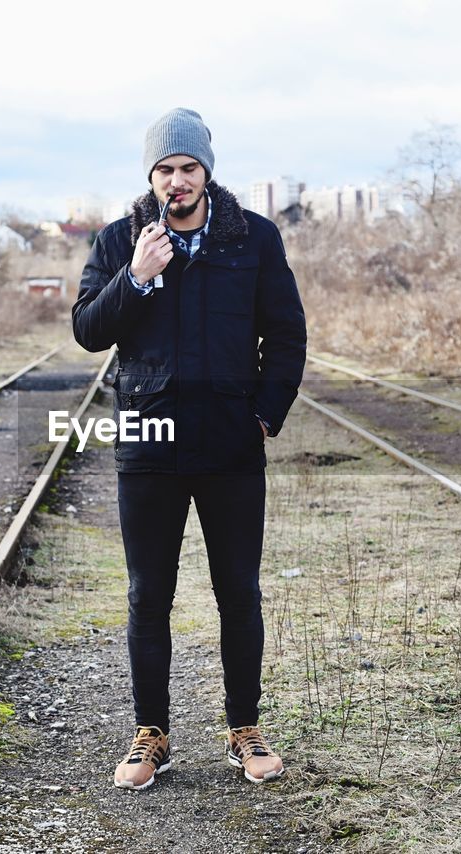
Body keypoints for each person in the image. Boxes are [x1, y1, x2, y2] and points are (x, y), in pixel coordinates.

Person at [72, 107, 307, 791]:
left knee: (240, 592)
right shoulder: (121, 240)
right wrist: (137, 277)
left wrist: (265, 411)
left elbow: (286, 333)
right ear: (151, 176)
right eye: (166, 170)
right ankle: (152, 734)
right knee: (149, 595)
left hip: (230, 443)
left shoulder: (253, 240)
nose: (177, 181)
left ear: (206, 172)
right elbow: (89, 330)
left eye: (188, 168)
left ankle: (244, 730)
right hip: (148, 442)